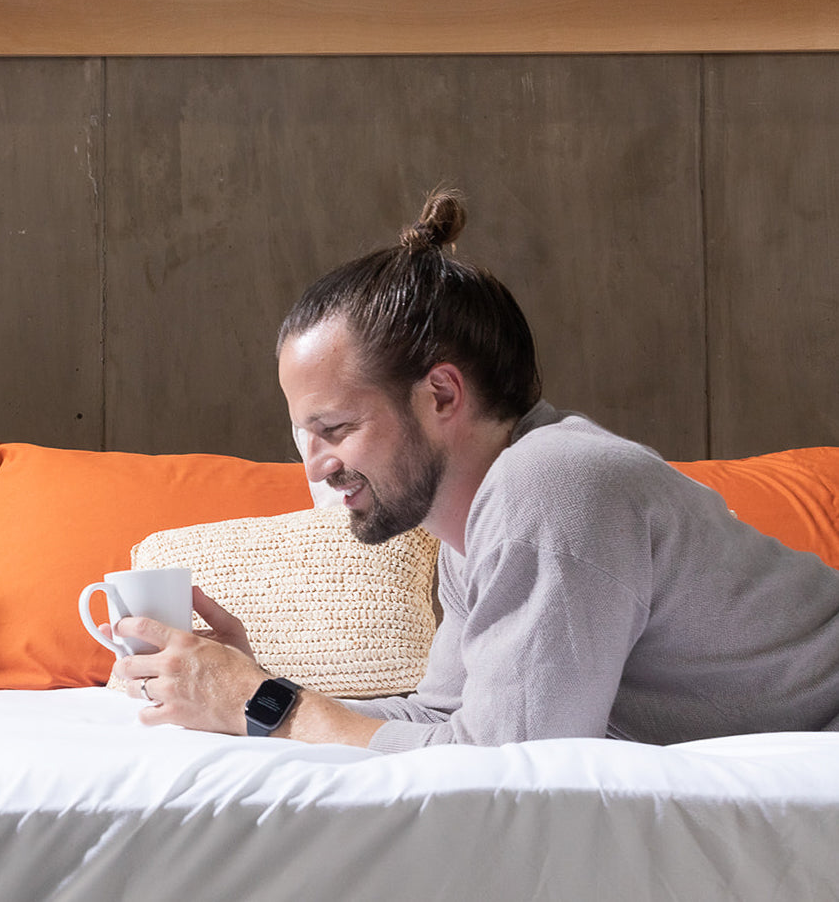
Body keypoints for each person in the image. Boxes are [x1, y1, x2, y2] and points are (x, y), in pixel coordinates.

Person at [110, 188, 839, 750]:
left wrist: (262, 707)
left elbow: (501, 763)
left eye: (333, 428)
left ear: (440, 395)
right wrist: (245, 687)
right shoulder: (479, 518)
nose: (318, 466)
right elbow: (441, 719)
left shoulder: (549, 486)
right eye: (304, 434)